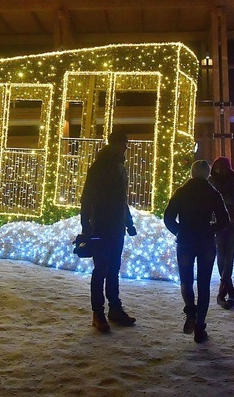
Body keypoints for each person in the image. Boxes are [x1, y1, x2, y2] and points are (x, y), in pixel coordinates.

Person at [164, 160, 230, 343]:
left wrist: (179, 230)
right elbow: (225, 220)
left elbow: (168, 217)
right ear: (207, 174)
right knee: (204, 284)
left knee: (186, 280)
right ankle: (200, 327)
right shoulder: (212, 193)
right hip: (206, 242)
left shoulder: (181, 192)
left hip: (185, 241)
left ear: (192, 173)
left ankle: (190, 311)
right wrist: (211, 229)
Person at [80, 128, 137, 333]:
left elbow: (121, 200)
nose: (126, 149)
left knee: (112, 269)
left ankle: (114, 308)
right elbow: (87, 198)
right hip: (102, 226)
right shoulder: (100, 167)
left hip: (115, 227)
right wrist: (87, 227)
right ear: (115, 145)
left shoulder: (119, 167)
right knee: (102, 269)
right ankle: (98, 313)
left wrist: (128, 222)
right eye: (124, 144)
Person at [208, 157, 234, 309]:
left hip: (230, 221)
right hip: (220, 221)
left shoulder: (233, 180)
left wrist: (219, 201)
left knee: (227, 255)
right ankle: (228, 288)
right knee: (223, 254)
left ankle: (223, 288)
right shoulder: (211, 181)